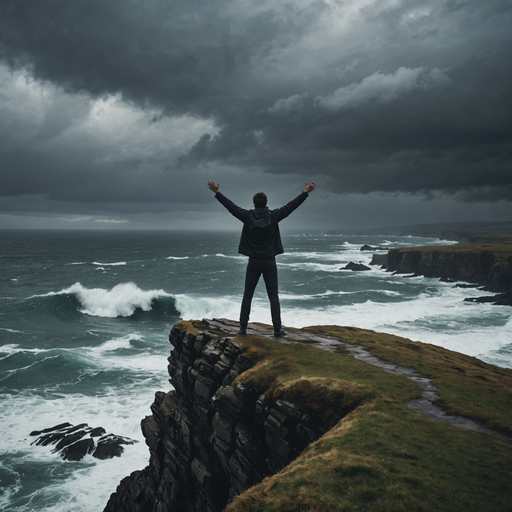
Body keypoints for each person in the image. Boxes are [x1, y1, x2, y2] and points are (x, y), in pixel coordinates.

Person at [207, 180, 317, 337]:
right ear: (266, 204)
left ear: (254, 204)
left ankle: (243, 329)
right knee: (273, 296)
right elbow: (291, 206)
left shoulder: (247, 216)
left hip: (253, 262)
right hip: (269, 262)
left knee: (248, 294)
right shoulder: (273, 216)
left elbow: (231, 207)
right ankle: (277, 330)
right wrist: (305, 193)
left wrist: (217, 193)